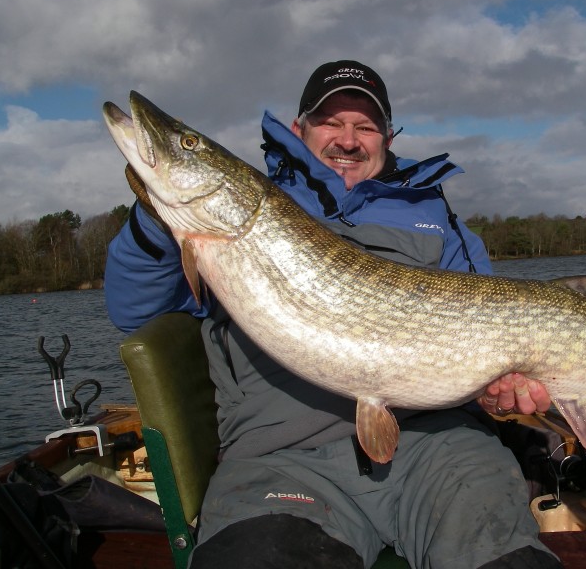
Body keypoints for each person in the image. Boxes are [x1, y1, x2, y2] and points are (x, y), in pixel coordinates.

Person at [105, 60, 562, 569]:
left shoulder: (438, 219)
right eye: (331, 122)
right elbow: (133, 309)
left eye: (365, 126)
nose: (348, 140)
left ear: (387, 138)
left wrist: (502, 396)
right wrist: (155, 216)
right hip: (280, 462)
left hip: (441, 452)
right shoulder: (235, 215)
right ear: (300, 131)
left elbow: (492, 348)